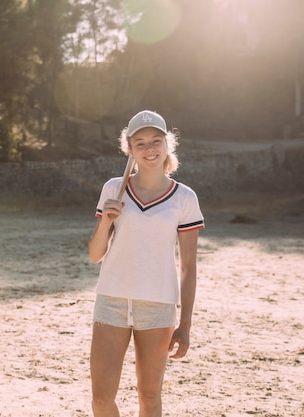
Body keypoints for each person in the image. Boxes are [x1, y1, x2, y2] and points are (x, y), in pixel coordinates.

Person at [87, 110, 204, 417]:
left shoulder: (184, 198)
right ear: (129, 149)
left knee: (149, 397)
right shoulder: (114, 189)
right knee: (101, 399)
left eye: (156, 141)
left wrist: (186, 325)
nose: (149, 148)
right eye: (140, 143)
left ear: (168, 145)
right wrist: (105, 223)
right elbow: (95, 254)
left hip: (158, 305)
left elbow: (189, 267)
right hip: (111, 300)